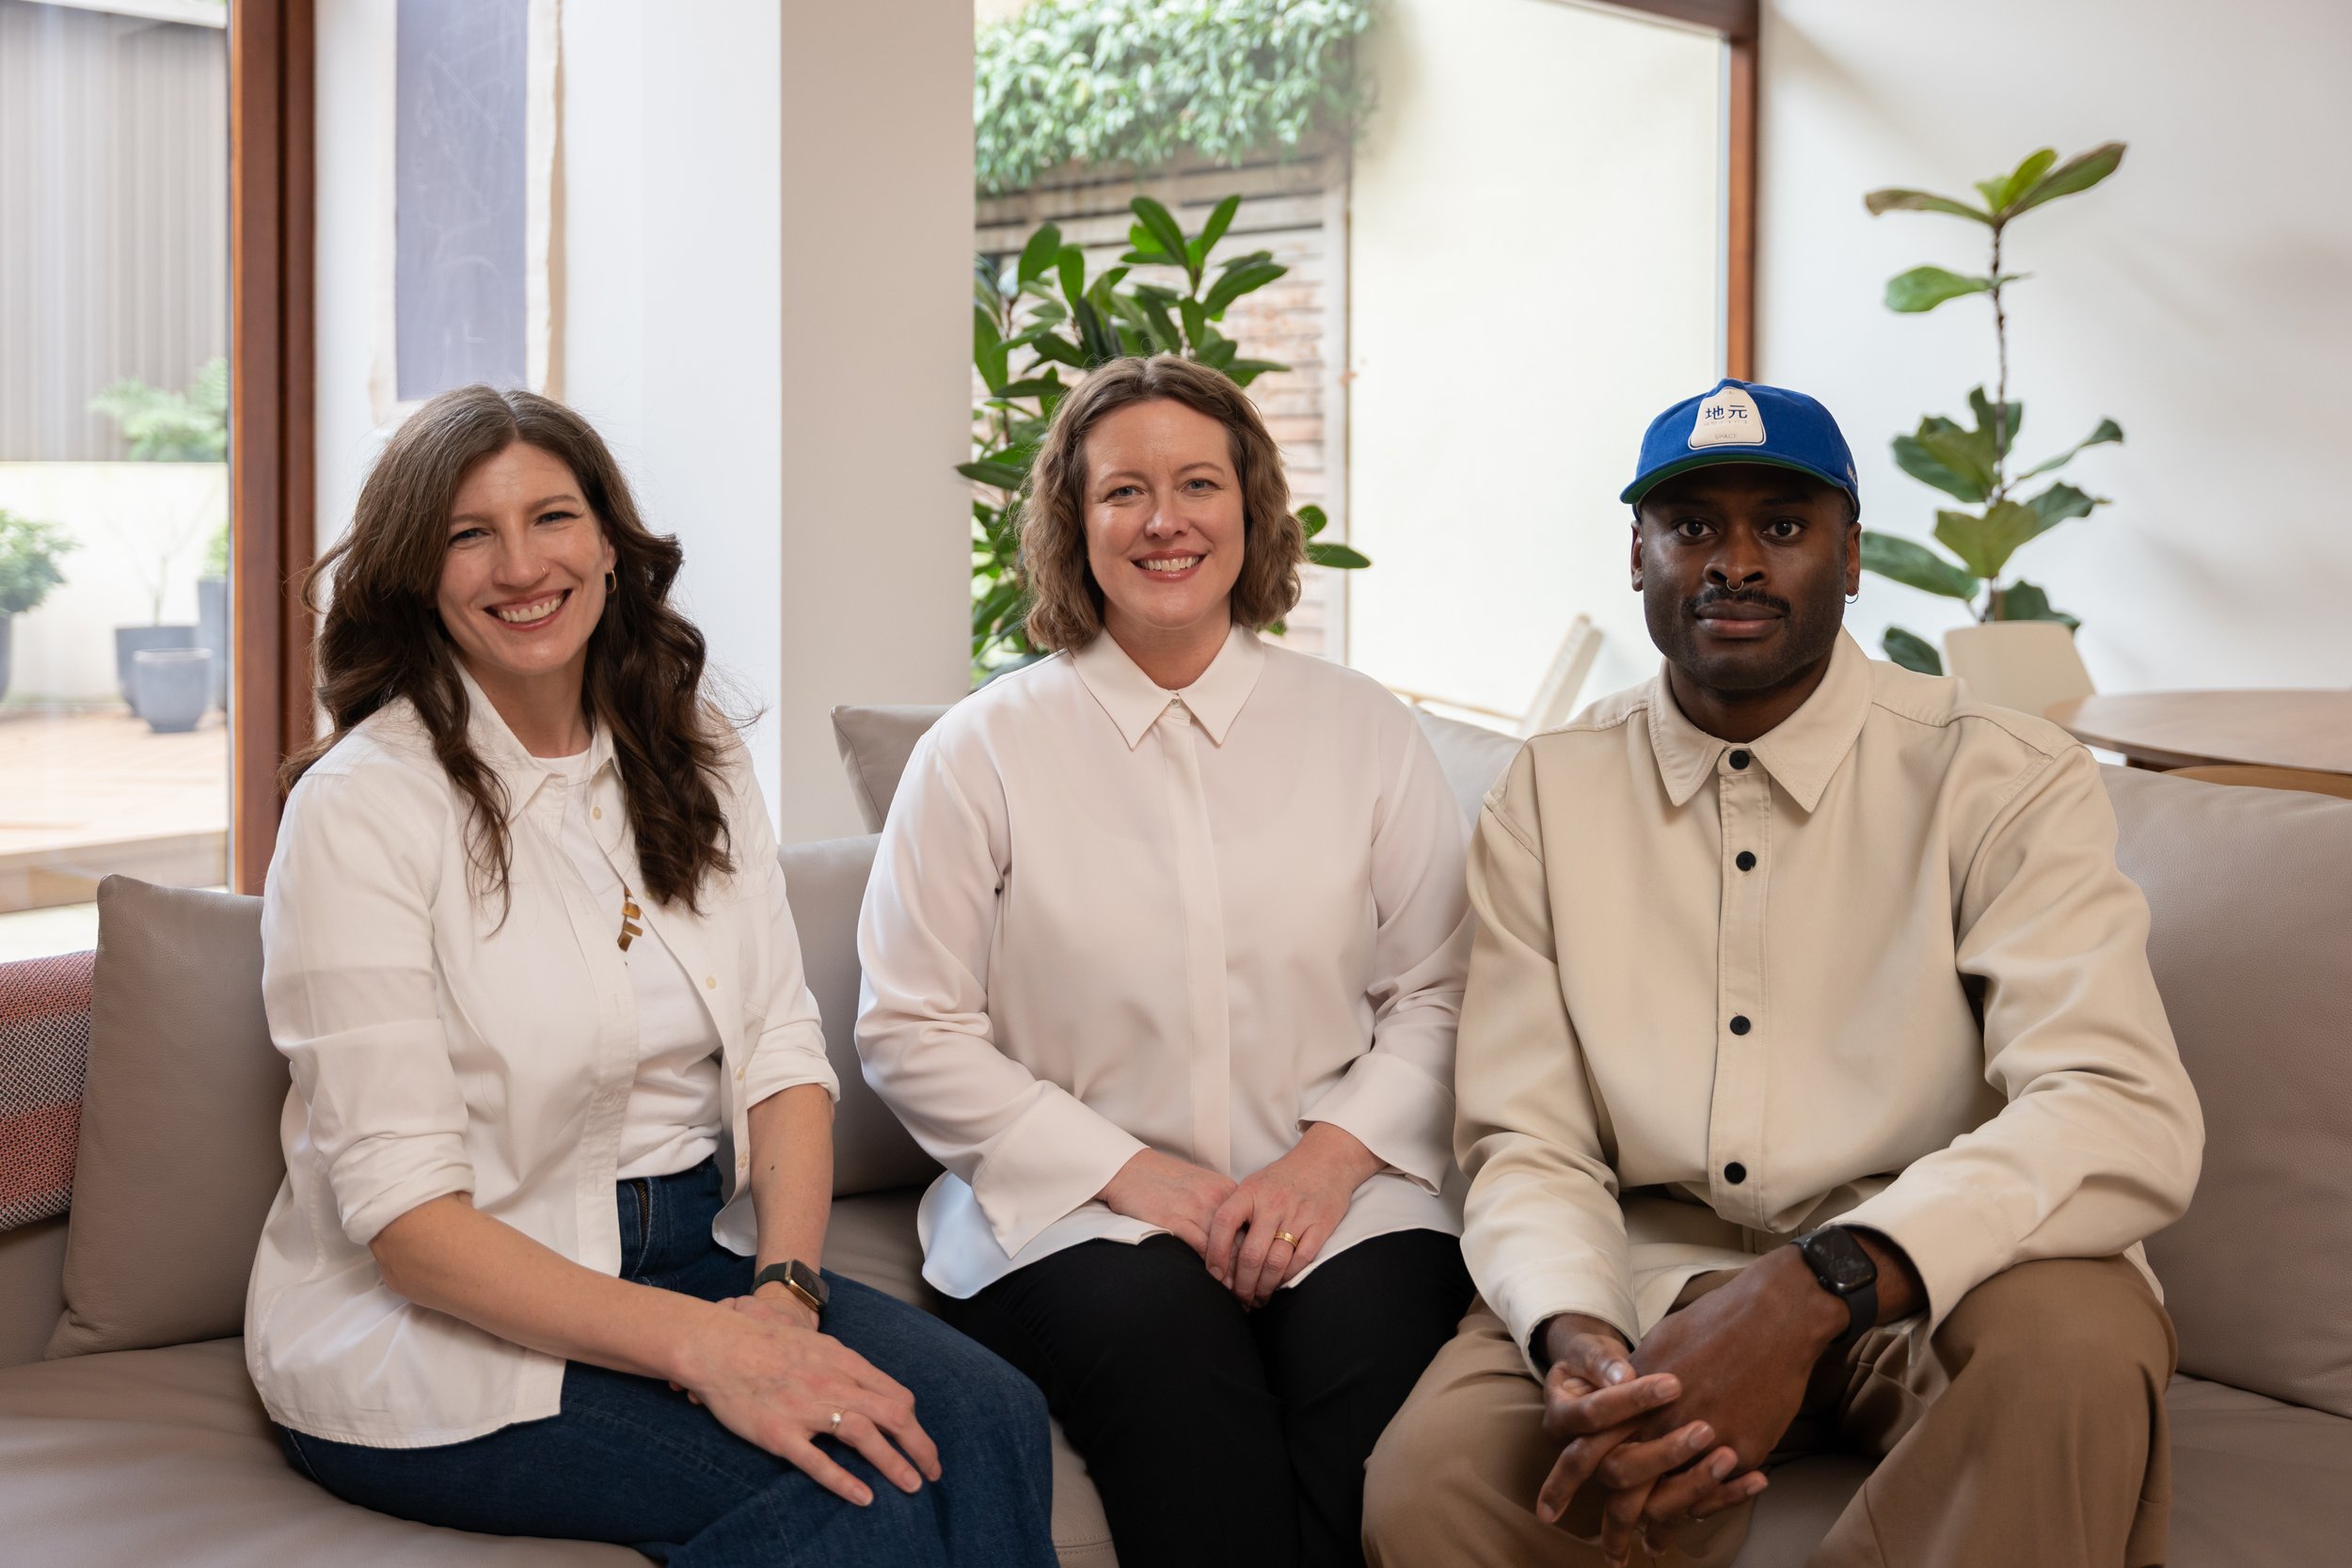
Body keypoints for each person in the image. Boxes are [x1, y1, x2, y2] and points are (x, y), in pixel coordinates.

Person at [1362, 379, 2203, 1568]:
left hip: (1940, 1268)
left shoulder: (2003, 777)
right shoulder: (1549, 791)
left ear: (1850, 556)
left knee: (2074, 1354)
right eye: (1691, 525)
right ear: (1638, 555)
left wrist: (1814, 1289)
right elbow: (1526, 1137)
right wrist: (1577, 1333)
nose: (1734, 561)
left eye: (1783, 524)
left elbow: (2114, 1100)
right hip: (1650, 1271)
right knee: (1436, 1485)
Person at [246, 385, 1055, 1568]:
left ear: (610, 545)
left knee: (990, 1418)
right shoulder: (363, 808)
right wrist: (707, 1348)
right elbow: (414, 1233)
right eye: (469, 534)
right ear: (418, 573)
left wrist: (783, 1293)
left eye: (552, 517)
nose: (521, 565)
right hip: (450, 1315)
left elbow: (782, 1054)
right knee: (861, 1494)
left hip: (694, 1249)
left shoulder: (692, 751)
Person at [857, 354, 1476, 1568]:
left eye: (1198, 483)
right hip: (1076, 1212)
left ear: (1250, 508)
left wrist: (1327, 1162)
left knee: (1370, 1393)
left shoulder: (1365, 730)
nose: (1164, 520)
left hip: (1343, 1194)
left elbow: (1441, 987)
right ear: (1071, 522)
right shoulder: (979, 751)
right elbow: (909, 1025)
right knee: (1182, 1383)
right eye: (1123, 491)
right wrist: (1135, 1175)